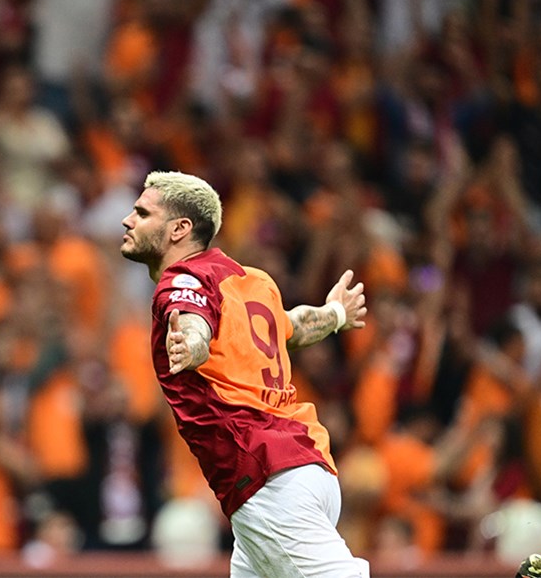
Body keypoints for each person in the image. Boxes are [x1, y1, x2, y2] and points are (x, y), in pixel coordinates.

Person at [119, 171, 369, 578]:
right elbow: (294, 326)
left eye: (143, 213)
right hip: (305, 467)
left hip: (267, 479)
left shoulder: (181, 281)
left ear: (180, 229)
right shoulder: (250, 281)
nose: (128, 220)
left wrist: (192, 346)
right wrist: (337, 313)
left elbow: (195, 322)